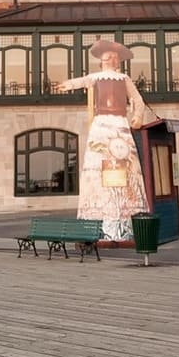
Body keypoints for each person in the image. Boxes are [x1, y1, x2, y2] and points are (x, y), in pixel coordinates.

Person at [56, 40, 159, 241]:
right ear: (101, 61)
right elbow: (82, 81)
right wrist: (67, 85)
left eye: (114, 57)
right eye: (107, 57)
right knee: (99, 164)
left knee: (124, 165)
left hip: (119, 122)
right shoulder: (96, 77)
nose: (111, 60)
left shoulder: (124, 79)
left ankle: (125, 221)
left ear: (119, 61)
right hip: (101, 123)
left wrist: (138, 117)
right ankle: (101, 221)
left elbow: (137, 100)